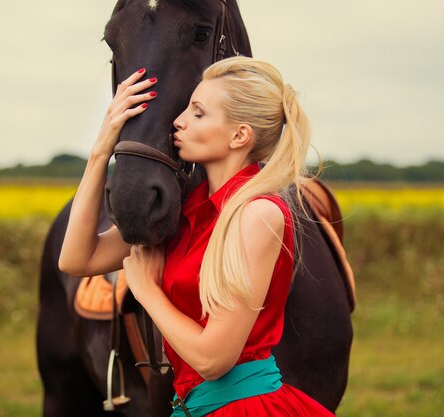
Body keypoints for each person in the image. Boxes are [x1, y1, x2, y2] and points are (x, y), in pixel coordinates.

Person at [59, 56, 336, 416]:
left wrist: (145, 289)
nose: (179, 120)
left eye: (198, 113)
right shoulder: (185, 208)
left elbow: (213, 358)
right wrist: (100, 151)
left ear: (240, 135)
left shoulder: (258, 213)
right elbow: (77, 259)